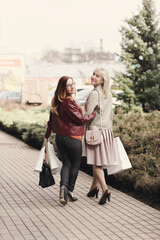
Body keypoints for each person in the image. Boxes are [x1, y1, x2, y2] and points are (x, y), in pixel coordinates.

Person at [45, 76, 96, 206]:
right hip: (72, 138)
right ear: (63, 88)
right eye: (69, 85)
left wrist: (46, 136)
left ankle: (63, 188)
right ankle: (70, 190)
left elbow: (50, 122)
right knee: (75, 164)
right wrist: (93, 114)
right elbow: (80, 119)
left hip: (60, 138)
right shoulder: (69, 102)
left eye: (73, 83)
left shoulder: (55, 101)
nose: (72, 86)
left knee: (66, 164)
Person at [84, 68, 113, 205]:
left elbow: (87, 115)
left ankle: (105, 189)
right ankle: (93, 189)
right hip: (107, 131)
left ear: (103, 80)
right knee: (98, 162)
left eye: (97, 76)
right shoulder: (108, 93)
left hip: (95, 132)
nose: (93, 77)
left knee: (97, 165)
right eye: (93, 74)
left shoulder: (94, 93)